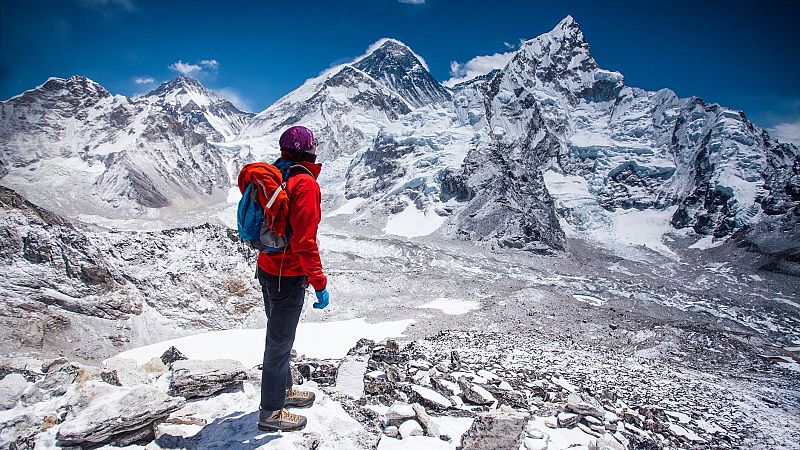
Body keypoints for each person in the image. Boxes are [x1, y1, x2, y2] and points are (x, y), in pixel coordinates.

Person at [256, 125, 330, 432]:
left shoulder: (275, 176)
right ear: (309, 149)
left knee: (278, 338)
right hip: (289, 275)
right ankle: (271, 412)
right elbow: (304, 242)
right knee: (280, 343)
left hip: (267, 268)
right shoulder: (304, 184)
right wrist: (320, 282)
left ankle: (283, 391)